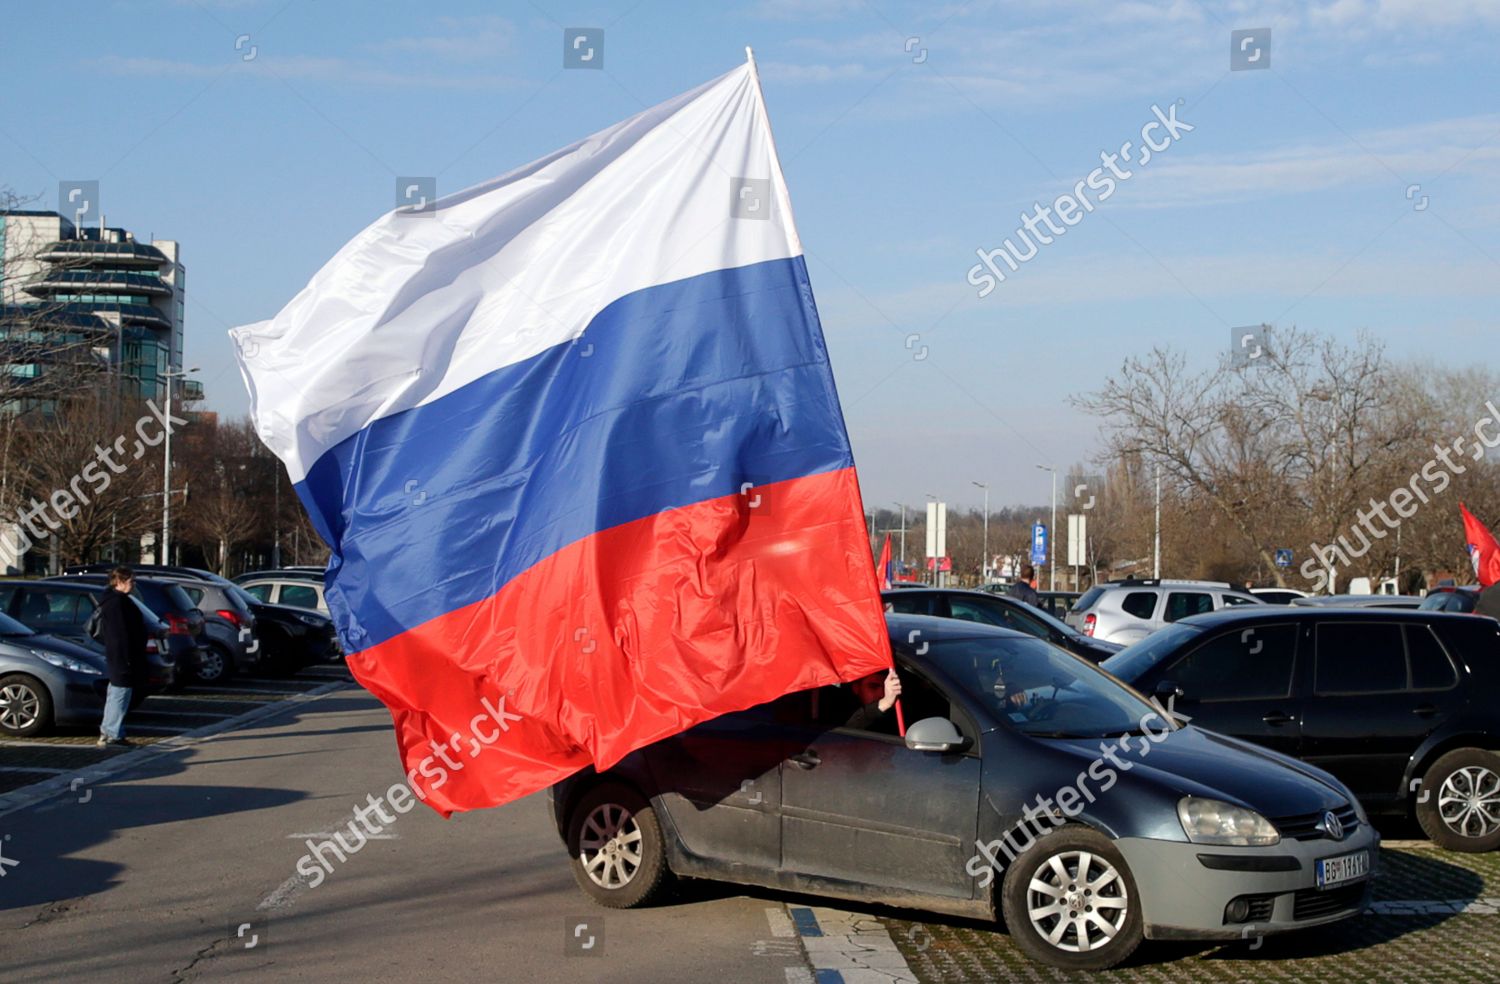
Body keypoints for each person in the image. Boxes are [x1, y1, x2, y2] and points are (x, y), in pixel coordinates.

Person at [97, 566, 146, 747]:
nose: (133, 585)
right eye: (131, 581)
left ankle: (111, 730)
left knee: (117, 692)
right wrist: (126, 656)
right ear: (119, 582)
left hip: (121, 655)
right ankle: (112, 733)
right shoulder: (116, 603)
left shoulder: (118, 601)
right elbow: (120, 634)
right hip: (121, 655)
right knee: (120, 693)